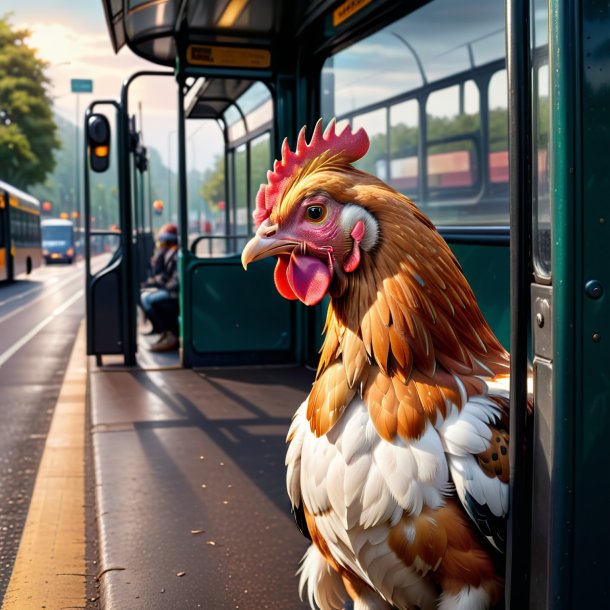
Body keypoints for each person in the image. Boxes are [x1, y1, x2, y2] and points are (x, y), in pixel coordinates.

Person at [140, 223, 180, 352]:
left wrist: (163, 286)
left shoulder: (175, 254)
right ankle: (164, 332)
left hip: (175, 293)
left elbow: (175, 280)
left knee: (149, 300)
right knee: (145, 296)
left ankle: (171, 335)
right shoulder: (169, 253)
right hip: (171, 289)